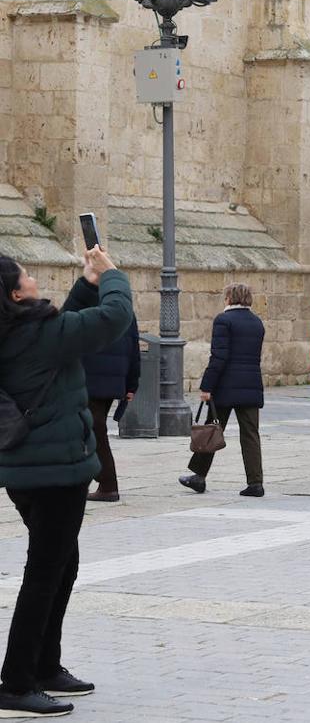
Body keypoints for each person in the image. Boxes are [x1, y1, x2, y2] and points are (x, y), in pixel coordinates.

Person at [0, 247, 132, 718]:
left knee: (61, 565)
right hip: (55, 471)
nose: (35, 279)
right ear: (17, 294)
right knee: (44, 574)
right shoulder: (37, 335)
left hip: (30, 469)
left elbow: (66, 327)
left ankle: (45, 664)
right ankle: (16, 680)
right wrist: (113, 276)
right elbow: (111, 320)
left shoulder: (20, 331)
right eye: (29, 275)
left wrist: (86, 282)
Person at [178, 284, 266, 497]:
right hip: (251, 385)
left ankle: (199, 476)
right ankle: (255, 483)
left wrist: (207, 386)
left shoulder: (223, 320)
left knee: (211, 429)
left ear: (228, 298)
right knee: (251, 434)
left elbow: (219, 356)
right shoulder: (257, 323)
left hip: (226, 386)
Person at [81, 311, 140, 503]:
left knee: (95, 430)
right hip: (114, 380)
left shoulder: (87, 308)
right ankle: (92, 480)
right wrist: (132, 383)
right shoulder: (124, 311)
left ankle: (107, 484)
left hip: (90, 379)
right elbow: (134, 348)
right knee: (93, 429)